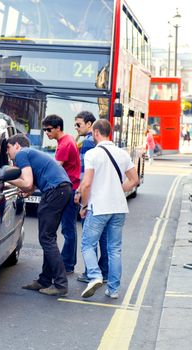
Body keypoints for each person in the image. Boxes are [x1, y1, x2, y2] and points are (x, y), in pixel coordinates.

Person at [78, 119, 139, 299]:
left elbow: (87, 183)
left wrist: (83, 204)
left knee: (87, 244)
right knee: (115, 249)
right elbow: (134, 180)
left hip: (99, 207)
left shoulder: (92, 154)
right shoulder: (122, 153)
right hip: (119, 207)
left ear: (96, 133)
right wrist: (118, 191)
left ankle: (95, 276)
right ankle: (113, 290)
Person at [6, 134, 72, 296]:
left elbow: (27, 183)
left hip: (55, 192)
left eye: (8, 148)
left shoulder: (22, 154)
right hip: (62, 190)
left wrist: (4, 177)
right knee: (48, 237)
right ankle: (44, 280)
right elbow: (31, 185)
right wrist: (25, 192)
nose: (8, 153)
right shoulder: (30, 153)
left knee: (46, 239)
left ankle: (60, 284)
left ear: (16, 146)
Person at [42, 114, 80, 274]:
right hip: (71, 187)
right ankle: (68, 262)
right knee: (68, 228)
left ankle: (67, 264)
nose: (46, 133)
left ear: (58, 128)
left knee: (68, 229)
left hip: (69, 190)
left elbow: (54, 170)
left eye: (49, 129)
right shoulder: (67, 140)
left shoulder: (64, 145)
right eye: (44, 130)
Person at [73, 111, 108, 285]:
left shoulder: (87, 143)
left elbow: (84, 175)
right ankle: (105, 271)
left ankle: (90, 273)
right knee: (105, 239)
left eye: (78, 124)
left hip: (92, 196)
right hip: (104, 197)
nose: (76, 128)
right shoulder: (97, 143)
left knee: (89, 238)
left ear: (89, 125)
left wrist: (81, 195)